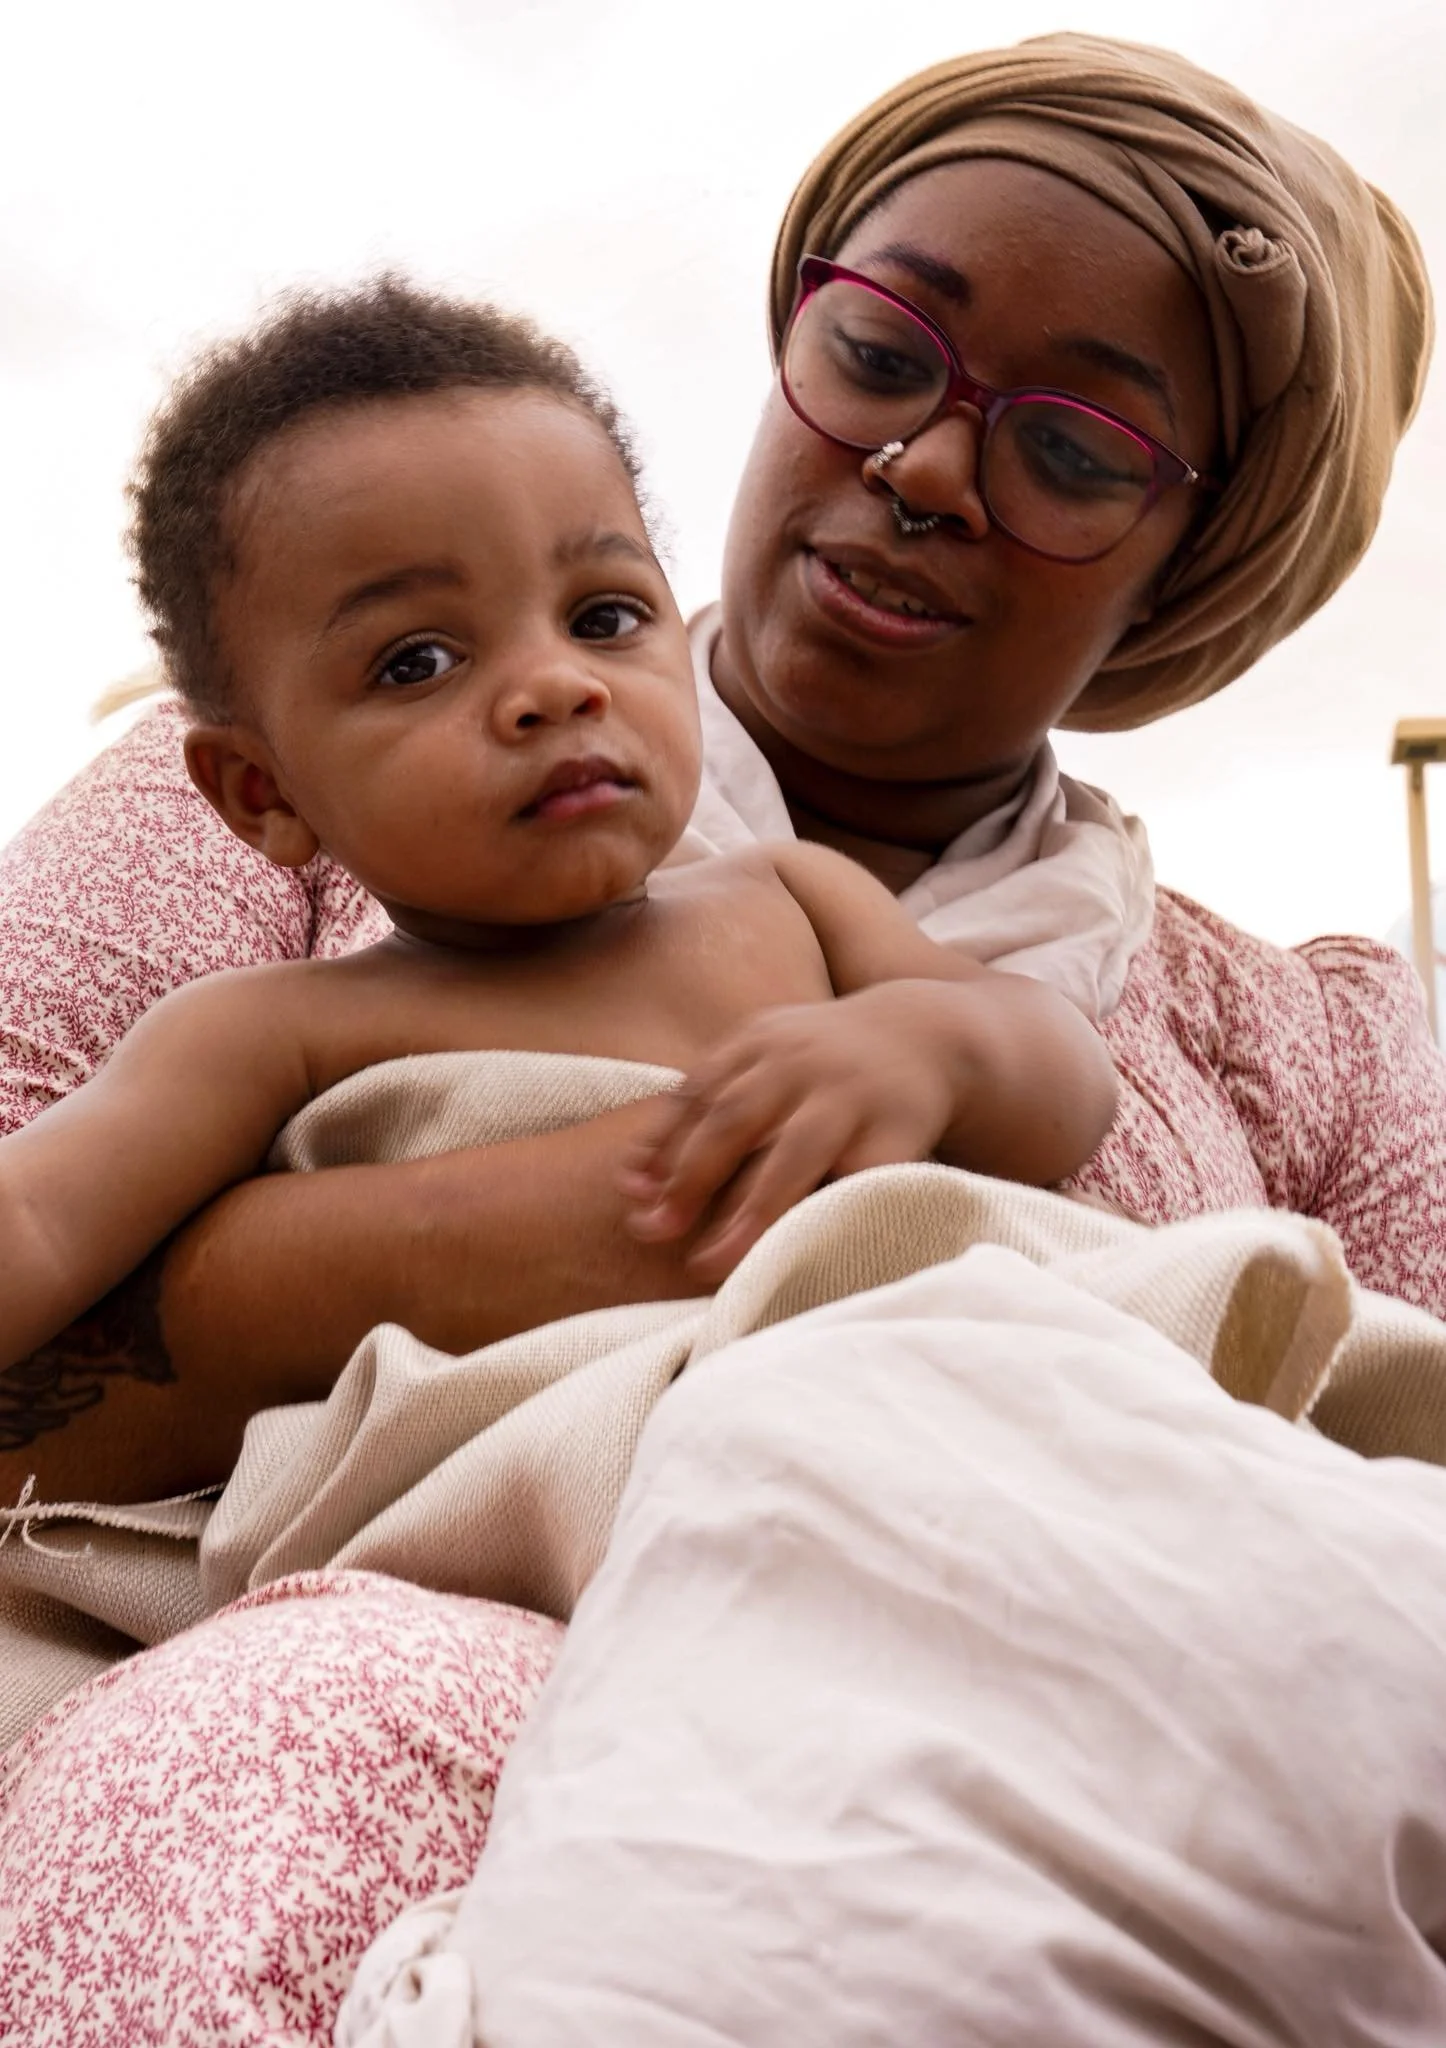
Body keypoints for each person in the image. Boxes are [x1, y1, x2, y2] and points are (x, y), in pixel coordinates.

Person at [0, 32, 1439, 2046]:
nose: (927, 465)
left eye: (1076, 447)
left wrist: (925, 1072)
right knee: (264, 1794)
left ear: (1190, 564)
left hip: (1082, 1672)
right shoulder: (254, 887)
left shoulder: (1287, 1040)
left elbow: (1044, 1070)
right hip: (481, 1652)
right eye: (879, 352)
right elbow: (33, 1234)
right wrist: (638, 1222)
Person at [0, 282, 1116, 1447]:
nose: (555, 686)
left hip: (899, 1416)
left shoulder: (791, 902)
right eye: (418, 660)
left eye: (602, 617)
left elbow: (1064, 1085)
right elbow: (37, 1217)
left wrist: (933, 1049)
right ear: (264, 793)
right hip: (581, 1497)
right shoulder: (268, 1030)